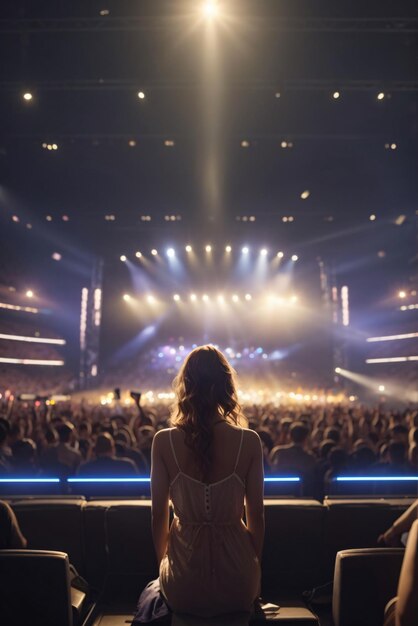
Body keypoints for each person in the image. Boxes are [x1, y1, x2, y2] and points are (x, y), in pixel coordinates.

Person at [134, 345, 264, 623]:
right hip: (239, 579)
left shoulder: (163, 441)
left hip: (184, 580)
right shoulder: (249, 441)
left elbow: (158, 515)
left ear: (186, 385)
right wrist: (252, 567)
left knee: (151, 592)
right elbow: (257, 516)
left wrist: (163, 565)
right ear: (226, 385)